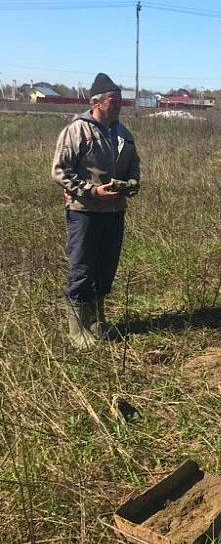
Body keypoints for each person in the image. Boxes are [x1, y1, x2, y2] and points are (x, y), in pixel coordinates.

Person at [52, 73, 141, 348]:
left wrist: (133, 183)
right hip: (85, 212)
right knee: (82, 268)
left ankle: (96, 321)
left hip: (115, 212)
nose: (119, 106)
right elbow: (60, 171)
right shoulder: (78, 130)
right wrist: (92, 192)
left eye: (121, 102)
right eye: (114, 101)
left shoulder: (123, 133)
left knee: (106, 268)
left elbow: (133, 165)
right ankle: (77, 329)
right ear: (96, 102)